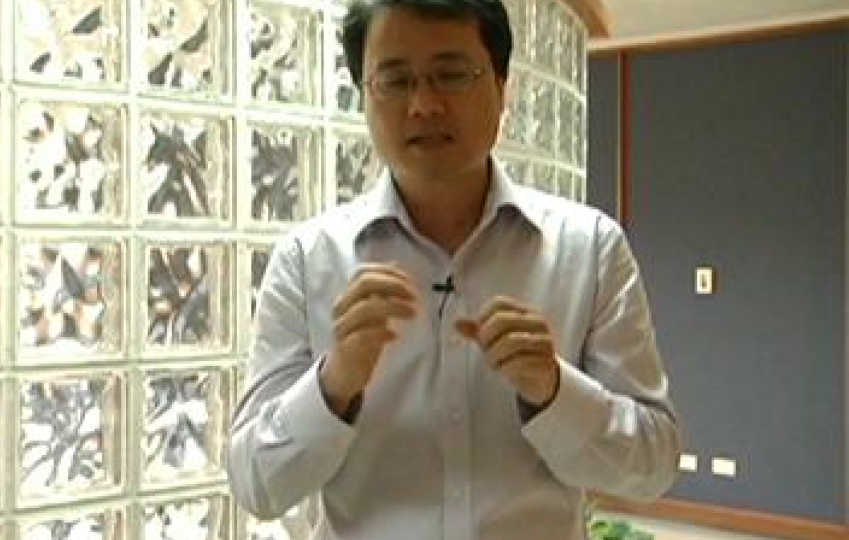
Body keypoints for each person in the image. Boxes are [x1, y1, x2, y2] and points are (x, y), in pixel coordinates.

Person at [227, 1, 680, 538]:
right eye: (394, 80)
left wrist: (555, 390)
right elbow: (256, 484)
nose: (423, 104)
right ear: (364, 95)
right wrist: (335, 383)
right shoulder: (307, 261)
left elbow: (653, 467)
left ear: (502, 86)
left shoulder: (591, 249)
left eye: (451, 74)